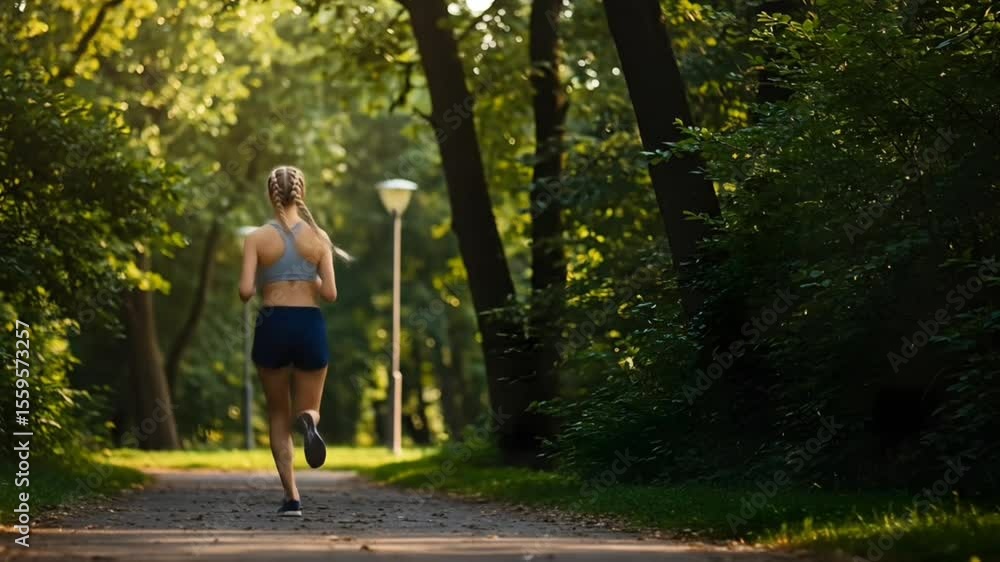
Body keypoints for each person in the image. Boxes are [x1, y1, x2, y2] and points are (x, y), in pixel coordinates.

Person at [238, 165, 338, 517]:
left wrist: (271, 274)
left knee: (278, 414)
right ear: (301, 193)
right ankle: (309, 420)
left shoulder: (256, 238)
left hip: (273, 324)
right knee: (308, 407)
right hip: (309, 323)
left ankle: (292, 498)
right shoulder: (319, 237)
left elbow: (246, 290)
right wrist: (306, 277)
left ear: (271, 195)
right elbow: (330, 293)